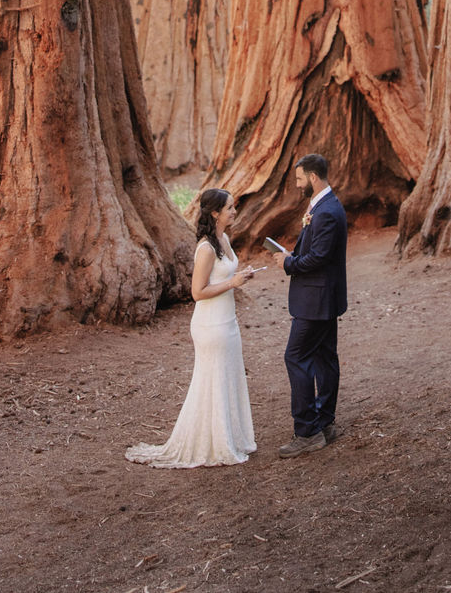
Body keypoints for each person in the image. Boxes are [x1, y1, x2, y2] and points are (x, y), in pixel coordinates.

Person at [125, 188, 258, 468]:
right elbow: (197, 291)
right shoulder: (207, 248)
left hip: (227, 321)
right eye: (230, 208)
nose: (235, 211)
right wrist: (232, 283)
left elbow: (225, 274)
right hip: (211, 325)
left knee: (227, 377)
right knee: (212, 380)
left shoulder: (223, 239)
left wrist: (240, 276)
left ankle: (231, 437)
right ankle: (213, 443)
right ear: (215, 213)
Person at [269, 153, 348, 458]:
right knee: (325, 357)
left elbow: (318, 259)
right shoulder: (324, 205)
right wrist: (294, 253)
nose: (297, 183)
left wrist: (290, 262)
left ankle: (307, 430)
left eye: (300, 178)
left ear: (314, 178)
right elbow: (317, 251)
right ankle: (325, 421)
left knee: (296, 355)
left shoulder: (326, 211)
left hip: (316, 300)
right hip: (323, 298)